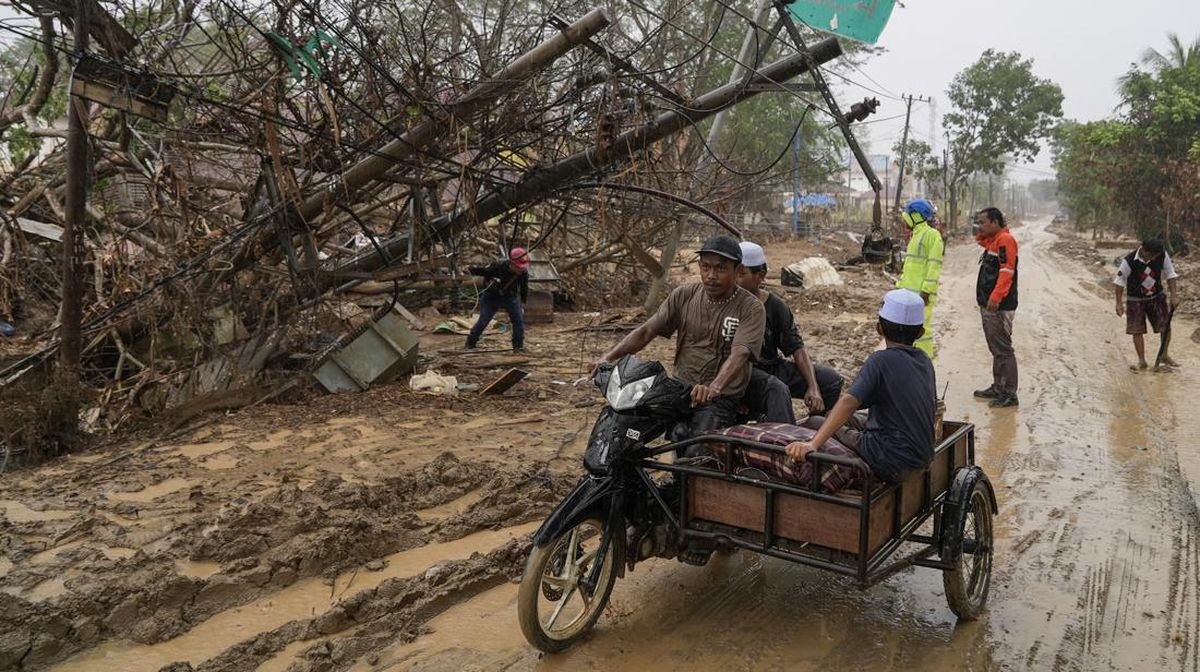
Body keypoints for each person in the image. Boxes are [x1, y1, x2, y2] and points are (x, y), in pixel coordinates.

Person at [591, 234, 766, 444]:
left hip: (719, 398)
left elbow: (740, 353)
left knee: (696, 452)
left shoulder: (751, 307)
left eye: (721, 269)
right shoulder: (684, 295)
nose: (711, 275)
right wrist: (607, 358)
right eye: (706, 267)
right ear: (699, 266)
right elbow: (647, 331)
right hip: (679, 389)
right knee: (625, 432)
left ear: (738, 271)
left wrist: (714, 388)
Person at [783, 289, 936, 485]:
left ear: (879, 329)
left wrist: (813, 444)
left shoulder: (880, 361)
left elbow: (849, 401)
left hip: (889, 459)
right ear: (920, 333)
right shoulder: (924, 360)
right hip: (922, 456)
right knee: (840, 417)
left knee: (815, 422)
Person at [736, 241, 844, 423]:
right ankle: (783, 436)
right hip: (741, 372)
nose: (735, 279)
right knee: (777, 390)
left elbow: (796, 347)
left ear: (760, 276)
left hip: (770, 366)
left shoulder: (775, 306)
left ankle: (816, 426)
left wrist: (813, 387)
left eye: (741, 274)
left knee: (830, 380)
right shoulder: (726, 305)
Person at [972, 206, 1020, 408]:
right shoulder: (995, 240)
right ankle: (998, 387)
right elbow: (981, 240)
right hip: (990, 304)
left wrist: (996, 297)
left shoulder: (1005, 240)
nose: (979, 226)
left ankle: (1009, 393)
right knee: (996, 348)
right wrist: (982, 233)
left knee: (1003, 349)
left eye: (983, 222)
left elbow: (1007, 272)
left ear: (995, 222)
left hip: (998, 306)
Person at [1114, 237, 1180, 370]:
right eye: (1151, 255)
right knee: (1137, 330)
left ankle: (1164, 355)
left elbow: (1170, 274)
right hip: (1135, 299)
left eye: (1155, 255)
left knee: (1165, 326)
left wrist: (1174, 295)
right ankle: (1142, 361)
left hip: (1156, 296)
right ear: (1143, 250)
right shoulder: (1128, 261)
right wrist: (1119, 303)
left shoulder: (1161, 255)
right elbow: (1120, 282)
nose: (1153, 258)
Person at [896, 198, 944, 359]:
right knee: (908, 331)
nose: (904, 221)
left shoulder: (932, 235)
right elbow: (911, 267)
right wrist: (900, 287)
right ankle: (911, 364)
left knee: (922, 332)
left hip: (922, 295)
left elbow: (934, 265)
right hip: (909, 294)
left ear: (916, 216)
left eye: (907, 217)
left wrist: (926, 291)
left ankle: (925, 364)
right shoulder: (915, 235)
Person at [465, 247, 529, 352]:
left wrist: (522, 304)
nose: (521, 269)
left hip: (510, 297)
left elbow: (524, 288)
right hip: (491, 296)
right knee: (484, 320)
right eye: (519, 267)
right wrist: (469, 270)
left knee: (518, 321)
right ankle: (470, 342)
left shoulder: (523, 273)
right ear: (511, 263)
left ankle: (518, 346)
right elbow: (484, 271)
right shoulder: (498, 266)